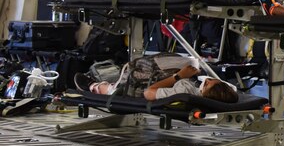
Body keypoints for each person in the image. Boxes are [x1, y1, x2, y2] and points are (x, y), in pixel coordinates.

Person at [80, 54, 238, 103]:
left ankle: (96, 87)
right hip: (163, 83)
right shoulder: (204, 92)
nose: (207, 80)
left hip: (141, 90)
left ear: (206, 94)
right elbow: (232, 91)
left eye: (208, 83)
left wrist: (179, 76)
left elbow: (149, 93)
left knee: (120, 85)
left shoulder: (185, 91)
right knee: (191, 62)